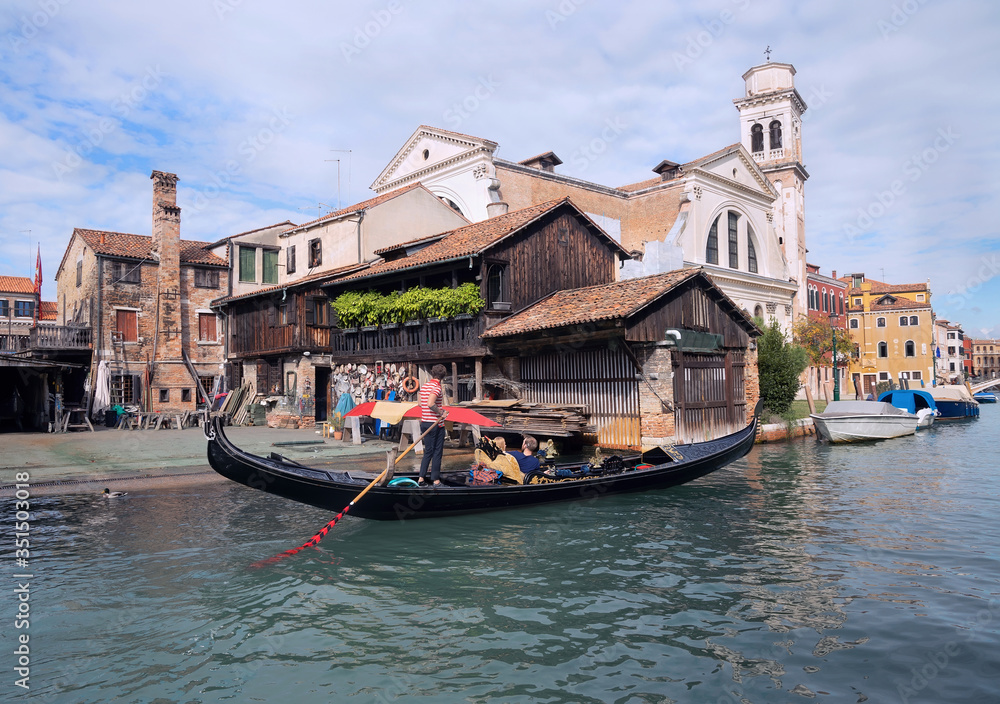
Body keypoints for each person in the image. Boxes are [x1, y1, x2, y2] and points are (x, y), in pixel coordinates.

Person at [417, 364, 449, 486]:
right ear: (443, 376)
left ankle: (421, 478)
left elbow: (421, 403)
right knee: (437, 452)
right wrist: (442, 412)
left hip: (425, 422)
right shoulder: (437, 387)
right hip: (435, 424)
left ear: (432, 373)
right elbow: (430, 403)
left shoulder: (425, 386)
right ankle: (436, 480)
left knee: (428, 452)